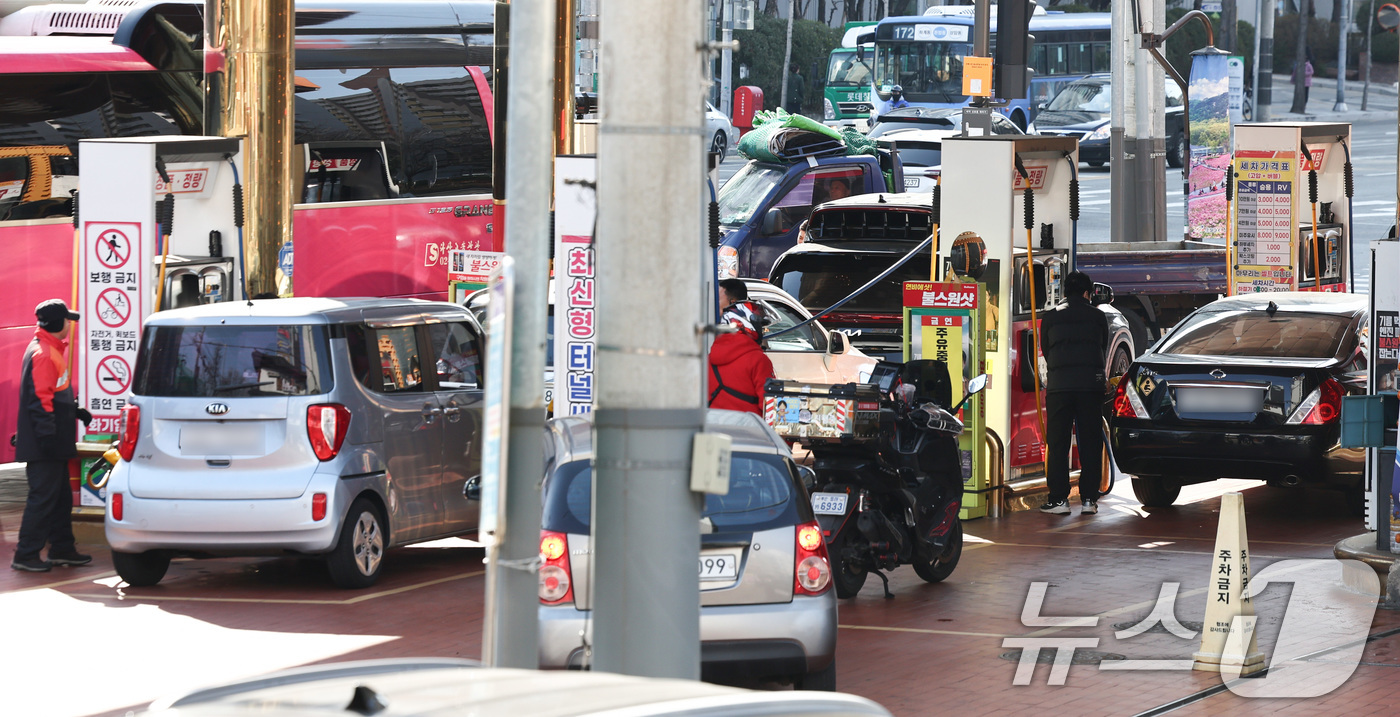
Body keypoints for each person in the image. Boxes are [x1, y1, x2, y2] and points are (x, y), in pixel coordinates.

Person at [13, 299, 92, 572]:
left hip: (52, 442)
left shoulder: (50, 350)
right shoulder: (45, 354)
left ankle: (62, 550)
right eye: (67, 319)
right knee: (43, 499)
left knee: (59, 499)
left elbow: (51, 394)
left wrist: (74, 411)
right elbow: (39, 401)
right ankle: (26, 554)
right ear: (59, 323)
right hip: (45, 444)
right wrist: (47, 439)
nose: (70, 324)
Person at [1036, 271, 1109, 516]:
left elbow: (1046, 350)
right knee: (1090, 442)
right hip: (1090, 387)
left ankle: (1059, 500)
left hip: (1060, 387)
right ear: (1087, 293)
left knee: (1058, 444)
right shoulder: (1098, 316)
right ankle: (1088, 500)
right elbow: (1102, 346)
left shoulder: (1050, 317)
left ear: (1065, 292)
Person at [708, 299, 775, 415]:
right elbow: (769, 405)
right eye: (760, 326)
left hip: (712, 424)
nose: (762, 331)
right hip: (748, 425)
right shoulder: (758, 360)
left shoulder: (707, 360)